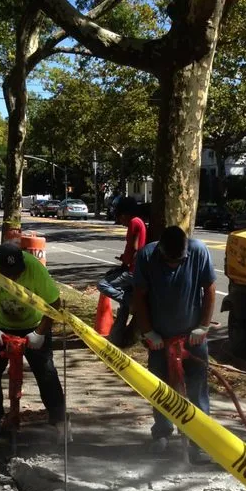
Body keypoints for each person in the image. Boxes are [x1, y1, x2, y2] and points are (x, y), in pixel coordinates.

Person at [132, 225, 216, 464]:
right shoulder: (147, 256)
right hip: (160, 338)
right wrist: (148, 331)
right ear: (161, 250)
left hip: (192, 338)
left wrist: (203, 326)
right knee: (160, 389)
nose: (173, 265)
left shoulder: (199, 252)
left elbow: (209, 289)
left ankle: (200, 441)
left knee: (197, 389)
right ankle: (162, 433)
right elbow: (139, 295)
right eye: (169, 261)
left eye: (178, 261)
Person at [0, 241, 67, 444]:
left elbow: (55, 304)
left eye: (17, 272)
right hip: (1, 326)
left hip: (33, 325)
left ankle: (59, 420)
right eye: (9, 273)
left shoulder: (35, 269)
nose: (14, 276)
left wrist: (40, 333)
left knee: (46, 371)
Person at [97, 197, 147, 346]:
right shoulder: (139, 221)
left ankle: (132, 302)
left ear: (124, 214)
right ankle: (115, 339)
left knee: (103, 285)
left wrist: (128, 259)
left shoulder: (134, 222)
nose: (120, 222)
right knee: (123, 308)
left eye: (119, 218)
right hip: (132, 267)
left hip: (133, 271)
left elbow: (136, 247)